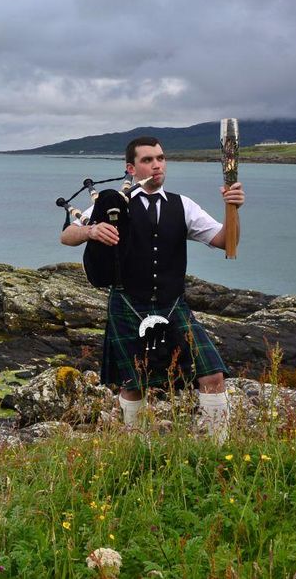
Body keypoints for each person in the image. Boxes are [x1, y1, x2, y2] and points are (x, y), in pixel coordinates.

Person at [60, 136, 245, 441]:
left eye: (160, 158)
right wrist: (91, 230)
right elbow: (67, 235)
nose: (156, 165)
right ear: (130, 168)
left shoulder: (182, 205)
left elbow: (229, 242)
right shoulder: (113, 204)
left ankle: (218, 449)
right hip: (129, 302)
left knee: (212, 374)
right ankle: (137, 447)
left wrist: (232, 209)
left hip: (173, 305)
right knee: (133, 384)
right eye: (147, 160)